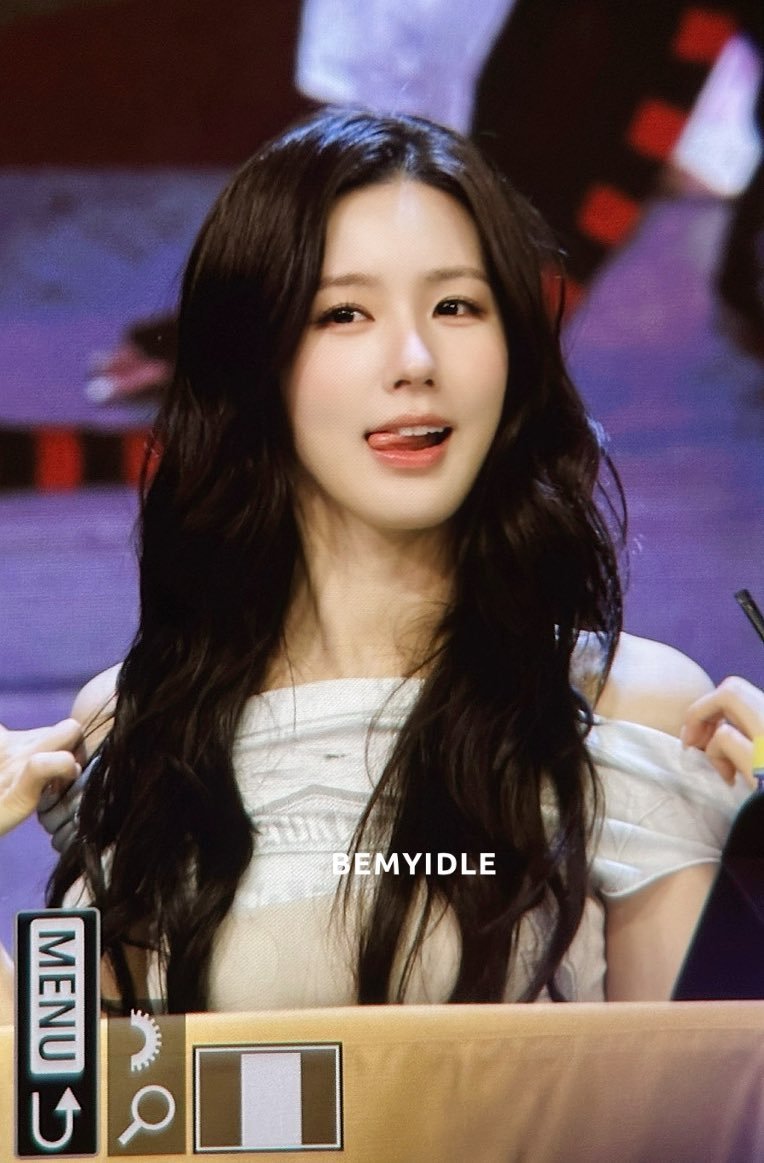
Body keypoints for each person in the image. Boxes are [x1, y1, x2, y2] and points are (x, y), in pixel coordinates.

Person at [32, 106, 751, 1015]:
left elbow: (695, 1088)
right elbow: (82, 1091)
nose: (415, 359)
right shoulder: (132, 726)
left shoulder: (631, 716)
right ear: (254, 364)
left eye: (457, 306)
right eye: (344, 313)